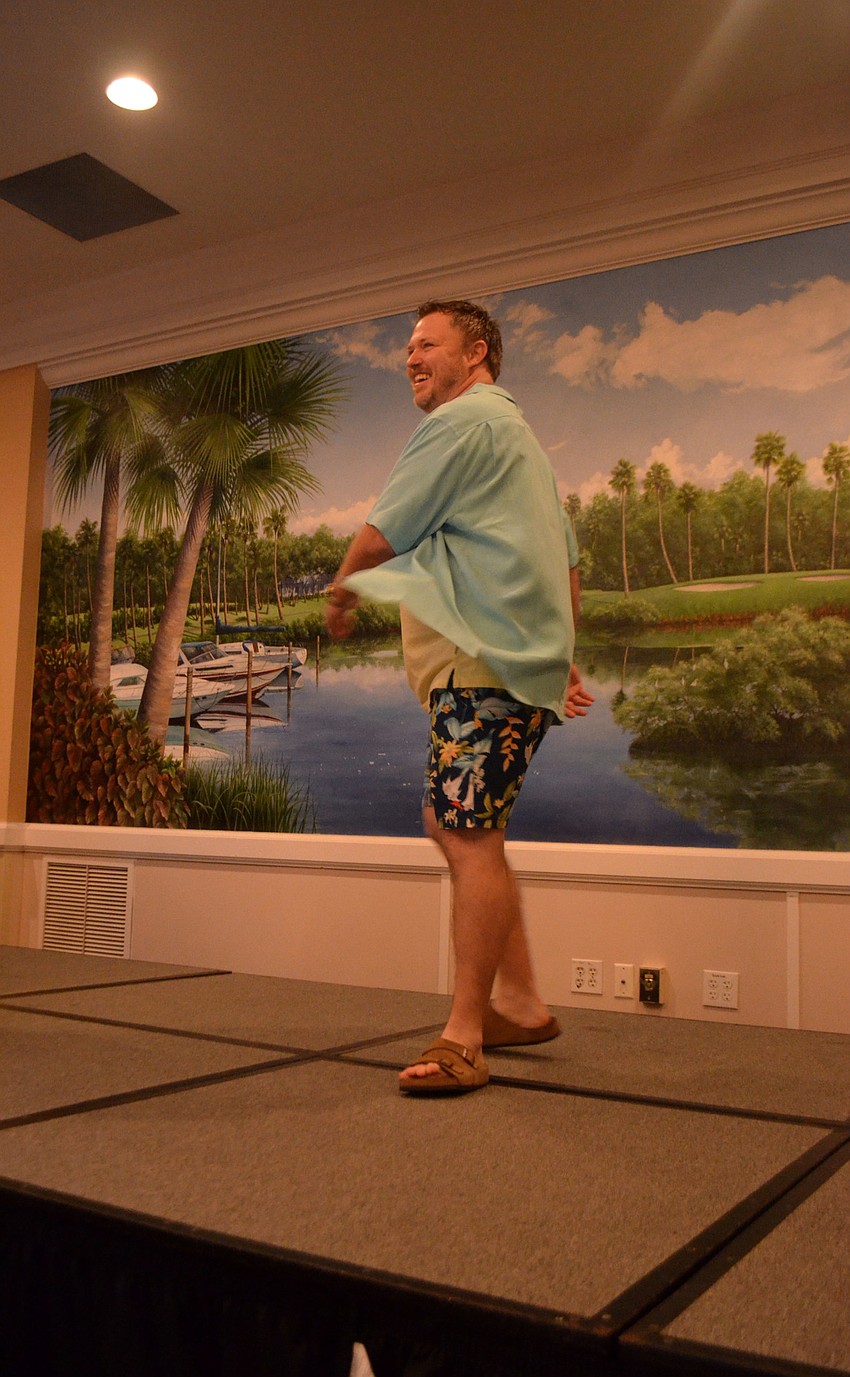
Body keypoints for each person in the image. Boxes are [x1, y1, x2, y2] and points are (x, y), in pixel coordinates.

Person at [325, 299, 593, 1096]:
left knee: (468, 833)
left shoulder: (460, 424)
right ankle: (519, 1002)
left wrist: (343, 588)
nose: (410, 357)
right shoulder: (523, 448)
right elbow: (568, 561)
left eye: (426, 344)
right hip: (511, 667)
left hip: (480, 668)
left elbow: (385, 529)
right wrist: (562, 660)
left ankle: (465, 1035)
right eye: (407, 346)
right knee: (456, 820)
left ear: (476, 353)